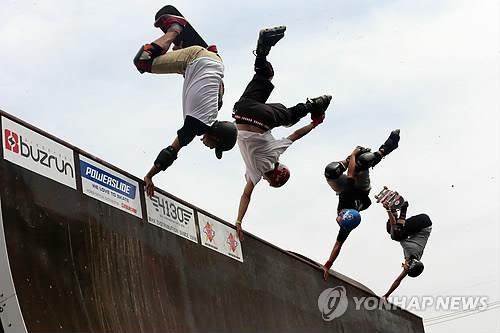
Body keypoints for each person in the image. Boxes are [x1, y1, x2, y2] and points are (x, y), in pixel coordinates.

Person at [232, 26, 332, 240]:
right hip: (239, 114)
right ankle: (311, 103)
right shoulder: (256, 173)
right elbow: (246, 195)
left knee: (267, 79)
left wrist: (314, 124)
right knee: (283, 116)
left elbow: (295, 135)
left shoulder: (275, 155)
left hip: (253, 110)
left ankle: (262, 53)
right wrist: (239, 221)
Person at [133, 10, 237, 197]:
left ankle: (191, 48)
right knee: (143, 61)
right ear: (216, 137)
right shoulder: (195, 127)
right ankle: (175, 28)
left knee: (198, 80)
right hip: (194, 58)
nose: (209, 147)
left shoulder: (215, 109)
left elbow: (219, 87)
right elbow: (170, 153)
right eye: (214, 146)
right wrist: (150, 176)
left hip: (215, 63)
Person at [322, 130, 400, 280]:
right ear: (343, 213)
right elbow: (351, 174)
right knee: (363, 161)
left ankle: (358, 158)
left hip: (347, 188)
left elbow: (337, 245)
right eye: (339, 218)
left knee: (331, 171)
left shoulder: (346, 226)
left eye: (339, 220)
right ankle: (387, 148)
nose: (337, 219)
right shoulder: (346, 200)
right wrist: (353, 154)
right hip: (361, 188)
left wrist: (327, 265)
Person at [382, 201, 432, 300]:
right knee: (395, 234)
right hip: (423, 223)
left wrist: (386, 295)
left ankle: (396, 212)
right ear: (410, 264)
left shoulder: (412, 261)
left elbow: (398, 281)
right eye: (406, 268)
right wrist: (388, 210)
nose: (403, 268)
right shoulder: (410, 249)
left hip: (420, 227)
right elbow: (394, 229)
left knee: (391, 230)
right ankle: (403, 209)